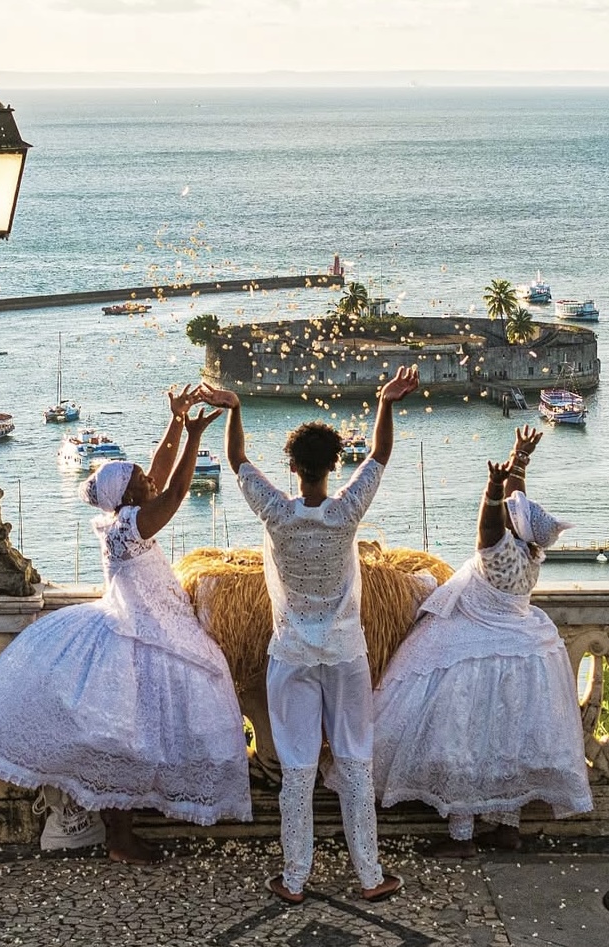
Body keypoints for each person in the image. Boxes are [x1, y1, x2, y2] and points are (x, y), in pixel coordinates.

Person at [0, 387, 252, 864]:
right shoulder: (131, 525)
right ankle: (120, 838)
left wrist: (176, 423)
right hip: (141, 633)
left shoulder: (120, 518)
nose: (147, 478)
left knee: (134, 741)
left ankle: (122, 834)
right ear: (127, 496)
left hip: (149, 628)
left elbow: (158, 470)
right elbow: (173, 491)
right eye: (137, 479)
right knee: (129, 741)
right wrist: (194, 435)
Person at [198, 365, 419, 904]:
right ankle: (370, 876)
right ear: (333, 466)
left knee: (297, 771)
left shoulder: (277, 514)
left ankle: (295, 879)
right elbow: (380, 457)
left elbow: (237, 462)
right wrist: (385, 401)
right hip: (345, 653)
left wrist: (235, 409)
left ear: (292, 467)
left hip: (291, 654)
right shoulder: (346, 514)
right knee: (354, 763)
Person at [372, 426, 592, 856]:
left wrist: (492, 487)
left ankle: (462, 838)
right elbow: (516, 506)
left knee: (465, 747)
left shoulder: (497, 550)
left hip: (472, 650)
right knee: (504, 747)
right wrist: (519, 458)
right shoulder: (531, 553)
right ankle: (506, 829)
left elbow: (491, 520)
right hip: (522, 649)